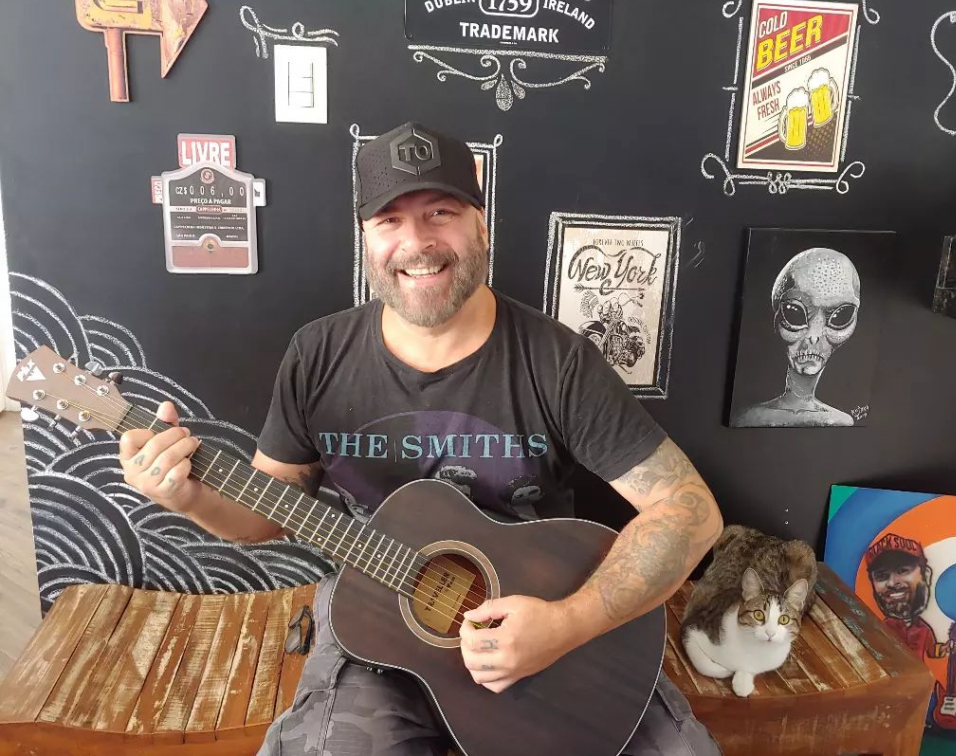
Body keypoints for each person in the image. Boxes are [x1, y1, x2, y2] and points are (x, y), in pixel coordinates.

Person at [119, 121, 724, 755]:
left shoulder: (559, 362)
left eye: (441, 212)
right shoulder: (317, 355)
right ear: (365, 236)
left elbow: (690, 512)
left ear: (481, 224)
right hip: (378, 628)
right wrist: (187, 497)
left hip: (562, 643)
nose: (417, 242)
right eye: (390, 220)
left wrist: (566, 624)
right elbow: (265, 511)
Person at [866, 533, 956, 661]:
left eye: (902, 571)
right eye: (882, 576)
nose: (892, 583)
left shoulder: (924, 629)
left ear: (926, 575)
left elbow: (932, 650)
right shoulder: (884, 628)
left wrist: (946, 647)